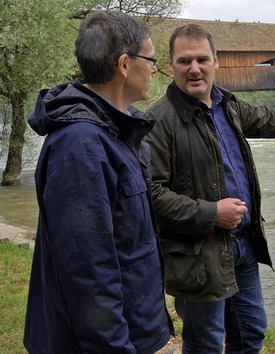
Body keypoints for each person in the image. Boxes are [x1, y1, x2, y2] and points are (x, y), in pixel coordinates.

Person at [144, 24, 275, 353]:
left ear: (217, 61)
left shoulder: (228, 105)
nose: (194, 69)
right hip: (198, 255)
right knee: (206, 343)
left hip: (243, 244)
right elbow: (152, 197)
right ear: (171, 66)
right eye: (184, 61)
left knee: (250, 333)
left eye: (201, 59)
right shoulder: (158, 121)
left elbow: (269, 119)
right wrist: (213, 213)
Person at [24, 10, 172, 353]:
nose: (153, 68)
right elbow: (89, 272)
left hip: (130, 329)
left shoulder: (114, 133)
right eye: (150, 59)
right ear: (124, 65)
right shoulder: (82, 148)